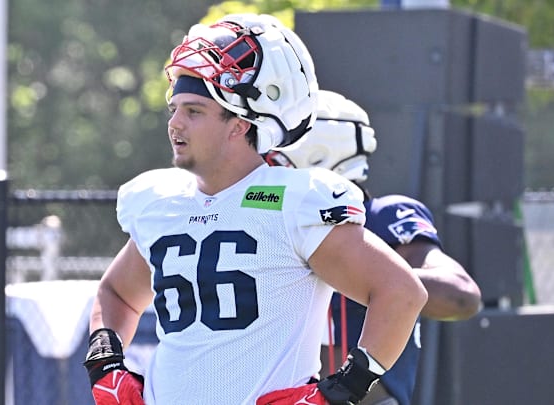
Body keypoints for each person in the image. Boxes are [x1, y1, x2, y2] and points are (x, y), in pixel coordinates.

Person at [82, 14, 428, 405]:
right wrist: (105, 363)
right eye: (174, 109)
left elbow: (401, 292)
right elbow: (117, 293)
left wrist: (341, 391)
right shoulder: (162, 202)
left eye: (194, 111)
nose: (175, 123)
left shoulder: (294, 201)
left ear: (241, 125)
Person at [264, 89, 483, 405]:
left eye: (274, 155)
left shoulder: (383, 217)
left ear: (320, 154)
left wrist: (370, 277)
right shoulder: (264, 222)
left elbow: (461, 296)